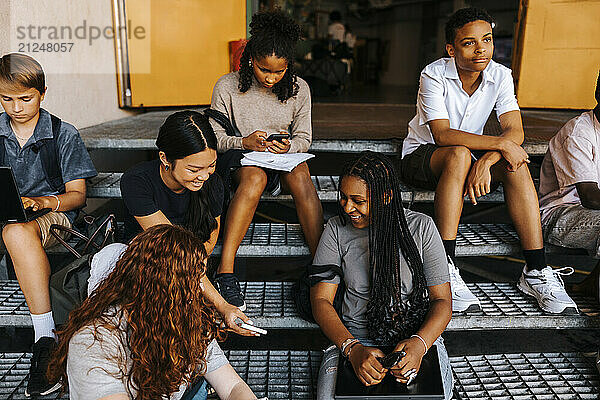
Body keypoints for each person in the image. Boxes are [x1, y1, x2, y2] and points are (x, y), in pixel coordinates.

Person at [400, 7, 577, 314]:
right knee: (458, 154)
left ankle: (535, 269)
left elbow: (515, 130)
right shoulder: (433, 75)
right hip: (423, 157)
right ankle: (444, 269)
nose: (481, 48)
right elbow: (442, 135)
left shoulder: (500, 75)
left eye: (488, 39)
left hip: (470, 156)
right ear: (451, 49)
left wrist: (489, 158)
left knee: (515, 163)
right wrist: (495, 146)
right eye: (469, 43)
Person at [48, 224, 259, 400]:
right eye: (192, 283)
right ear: (162, 288)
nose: (200, 291)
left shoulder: (186, 319)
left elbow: (232, 387)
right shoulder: (94, 341)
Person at [311, 152, 453, 399]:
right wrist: (352, 349)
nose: (347, 207)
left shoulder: (422, 228)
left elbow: (442, 301)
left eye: (358, 200)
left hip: (414, 337)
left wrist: (419, 345)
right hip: (352, 340)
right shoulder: (336, 228)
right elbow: (321, 300)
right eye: (343, 197)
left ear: (386, 197)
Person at [210, 10, 323, 309]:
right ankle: (226, 272)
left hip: (281, 158)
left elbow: (304, 137)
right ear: (249, 59)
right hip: (243, 157)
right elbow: (215, 139)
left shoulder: (300, 90)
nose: (271, 78)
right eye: (264, 70)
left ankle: (320, 267)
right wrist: (244, 142)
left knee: (301, 173)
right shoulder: (226, 86)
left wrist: (289, 149)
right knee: (255, 177)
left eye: (279, 71)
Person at [0, 53, 97, 396]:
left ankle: (44, 335)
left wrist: (42, 202)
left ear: (43, 93)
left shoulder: (62, 134)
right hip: (6, 214)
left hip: (52, 217)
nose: (16, 107)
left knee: (16, 231)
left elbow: (77, 196)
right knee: (11, 227)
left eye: (25, 98)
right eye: (6, 99)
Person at [120, 110, 254, 337]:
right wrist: (221, 305)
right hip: (145, 264)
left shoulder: (213, 184)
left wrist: (219, 305)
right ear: (165, 159)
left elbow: (206, 247)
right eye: (194, 169)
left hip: (191, 269)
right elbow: (172, 250)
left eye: (210, 165)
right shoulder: (136, 181)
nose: (204, 176)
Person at [539, 71, 600, 303]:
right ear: (598, 93)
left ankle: (593, 284)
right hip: (558, 216)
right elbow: (591, 197)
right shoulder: (579, 132)